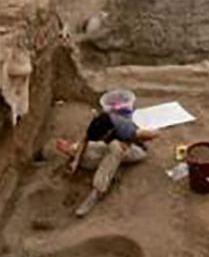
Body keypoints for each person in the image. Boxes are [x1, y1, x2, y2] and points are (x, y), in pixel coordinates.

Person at [60, 90, 157, 218]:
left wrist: (128, 141)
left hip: (136, 150)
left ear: (107, 133)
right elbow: (86, 139)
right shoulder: (100, 121)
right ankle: (75, 152)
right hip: (112, 144)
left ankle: (98, 190)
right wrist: (76, 161)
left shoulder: (124, 128)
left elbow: (154, 134)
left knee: (115, 148)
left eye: (101, 137)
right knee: (90, 154)